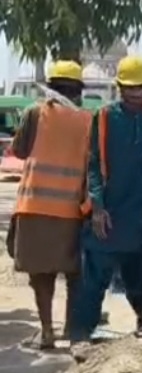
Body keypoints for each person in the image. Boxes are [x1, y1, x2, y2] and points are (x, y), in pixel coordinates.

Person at [70, 56, 142, 344]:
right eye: (130, 88)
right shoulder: (104, 117)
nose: (136, 94)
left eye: (141, 87)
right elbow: (93, 164)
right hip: (109, 215)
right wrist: (97, 207)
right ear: (120, 87)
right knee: (93, 283)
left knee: (141, 280)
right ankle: (80, 337)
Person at [6, 60, 92, 349]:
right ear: (78, 91)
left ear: (51, 88)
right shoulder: (87, 120)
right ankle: (72, 329)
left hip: (34, 206)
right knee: (74, 274)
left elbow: (19, 150)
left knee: (41, 275)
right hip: (72, 210)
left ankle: (46, 332)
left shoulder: (35, 113)